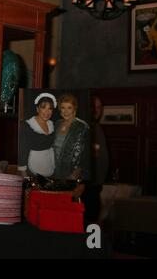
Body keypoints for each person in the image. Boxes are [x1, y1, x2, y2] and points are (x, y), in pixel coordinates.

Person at [53, 93, 90, 198]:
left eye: (69, 107)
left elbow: (86, 155)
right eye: (63, 108)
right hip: (56, 171)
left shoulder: (82, 126)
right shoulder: (57, 124)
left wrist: (75, 174)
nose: (66, 111)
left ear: (75, 109)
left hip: (72, 173)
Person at [81, 95, 109, 223]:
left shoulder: (97, 128)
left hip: (96, 188)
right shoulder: (85, 128)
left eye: (99, 107)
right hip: (87, 188)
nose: (96, 110)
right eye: (93, 107)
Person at [18, 92, 57, 178]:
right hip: (32, 169)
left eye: (50, 108)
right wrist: (24, 175)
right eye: (43, 108)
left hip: (49, 166)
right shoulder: (27, 126)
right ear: (37, 109)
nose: (47, 112)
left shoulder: (52, 125)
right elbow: (22, 150)